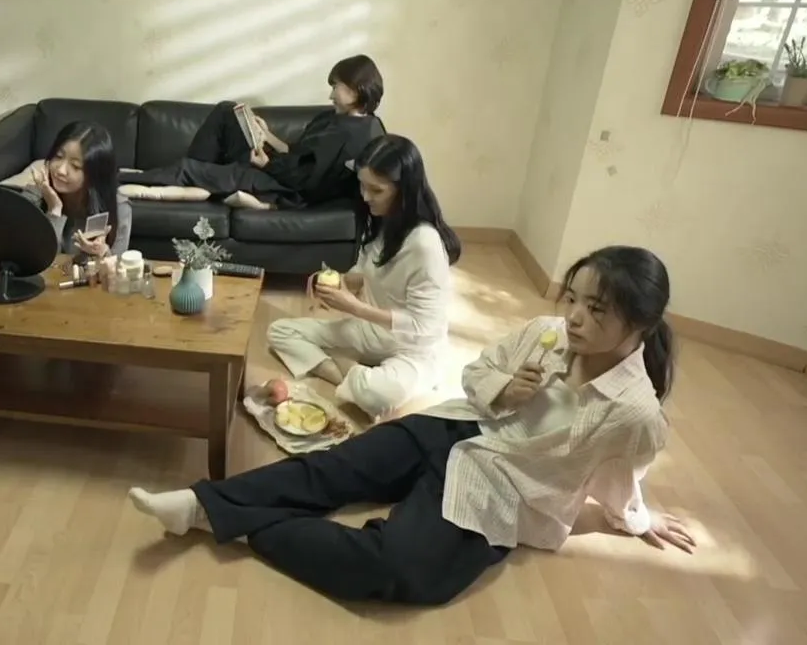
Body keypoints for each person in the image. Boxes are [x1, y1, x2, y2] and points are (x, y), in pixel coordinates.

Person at [129, 245, 697, 605]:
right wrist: (506, 388)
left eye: (596, 309)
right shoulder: (546, 332)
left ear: (640, 325)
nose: (573, 317)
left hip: (500, 490)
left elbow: (620, 481)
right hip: (454, 427)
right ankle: (198, 503)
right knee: (332, 468)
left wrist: (638, 518)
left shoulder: (635, 413)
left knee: (396, 570)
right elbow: (476, 375)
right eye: (573, 298)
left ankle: (234, 521)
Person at [266, 134, 459, 420]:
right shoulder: (379, 220)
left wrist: (354, 307)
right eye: (362, 185)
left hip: (413, 348)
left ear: (403, 190)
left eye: (376, 190)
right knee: (279, 331)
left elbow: (425, 325)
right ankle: (348, 378)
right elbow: (363, 271)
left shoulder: (424, 244)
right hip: (370, 332)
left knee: (378, 393)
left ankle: (357, 379)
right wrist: (336, 282)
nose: (365, 196)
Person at [119, 54, 386, 209]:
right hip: (278, 167)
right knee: (227, 111)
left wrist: (267, 164)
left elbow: (307, 183)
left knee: (187, 169)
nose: (331, 94)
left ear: (356, 89)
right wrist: (267, 136)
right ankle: (197, 179)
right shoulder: (335, 117)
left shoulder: (354, 137)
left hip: (280, 185)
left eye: (336, 87)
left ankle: (122, 177)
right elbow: (299, 152)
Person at [19, 121, 132, 262]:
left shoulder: (119, 208)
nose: (61, 170)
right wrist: (54, 210)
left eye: (75, 166)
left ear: (95, 174)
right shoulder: (35, 195)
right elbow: (34, 260)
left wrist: (102, 253)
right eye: (58, 156)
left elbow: (120, 268)